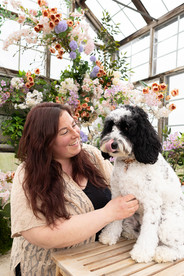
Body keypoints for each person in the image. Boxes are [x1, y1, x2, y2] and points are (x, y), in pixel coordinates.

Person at [10, 102, 139, 275]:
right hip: (48, 266)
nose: (75, 134)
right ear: (44, 140)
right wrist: (108, 213)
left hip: (94, 260)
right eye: (64, 132)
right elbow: (41, 234)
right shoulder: (27, 174)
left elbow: (123, 188)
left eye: (74, 125)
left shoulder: (91, 156)